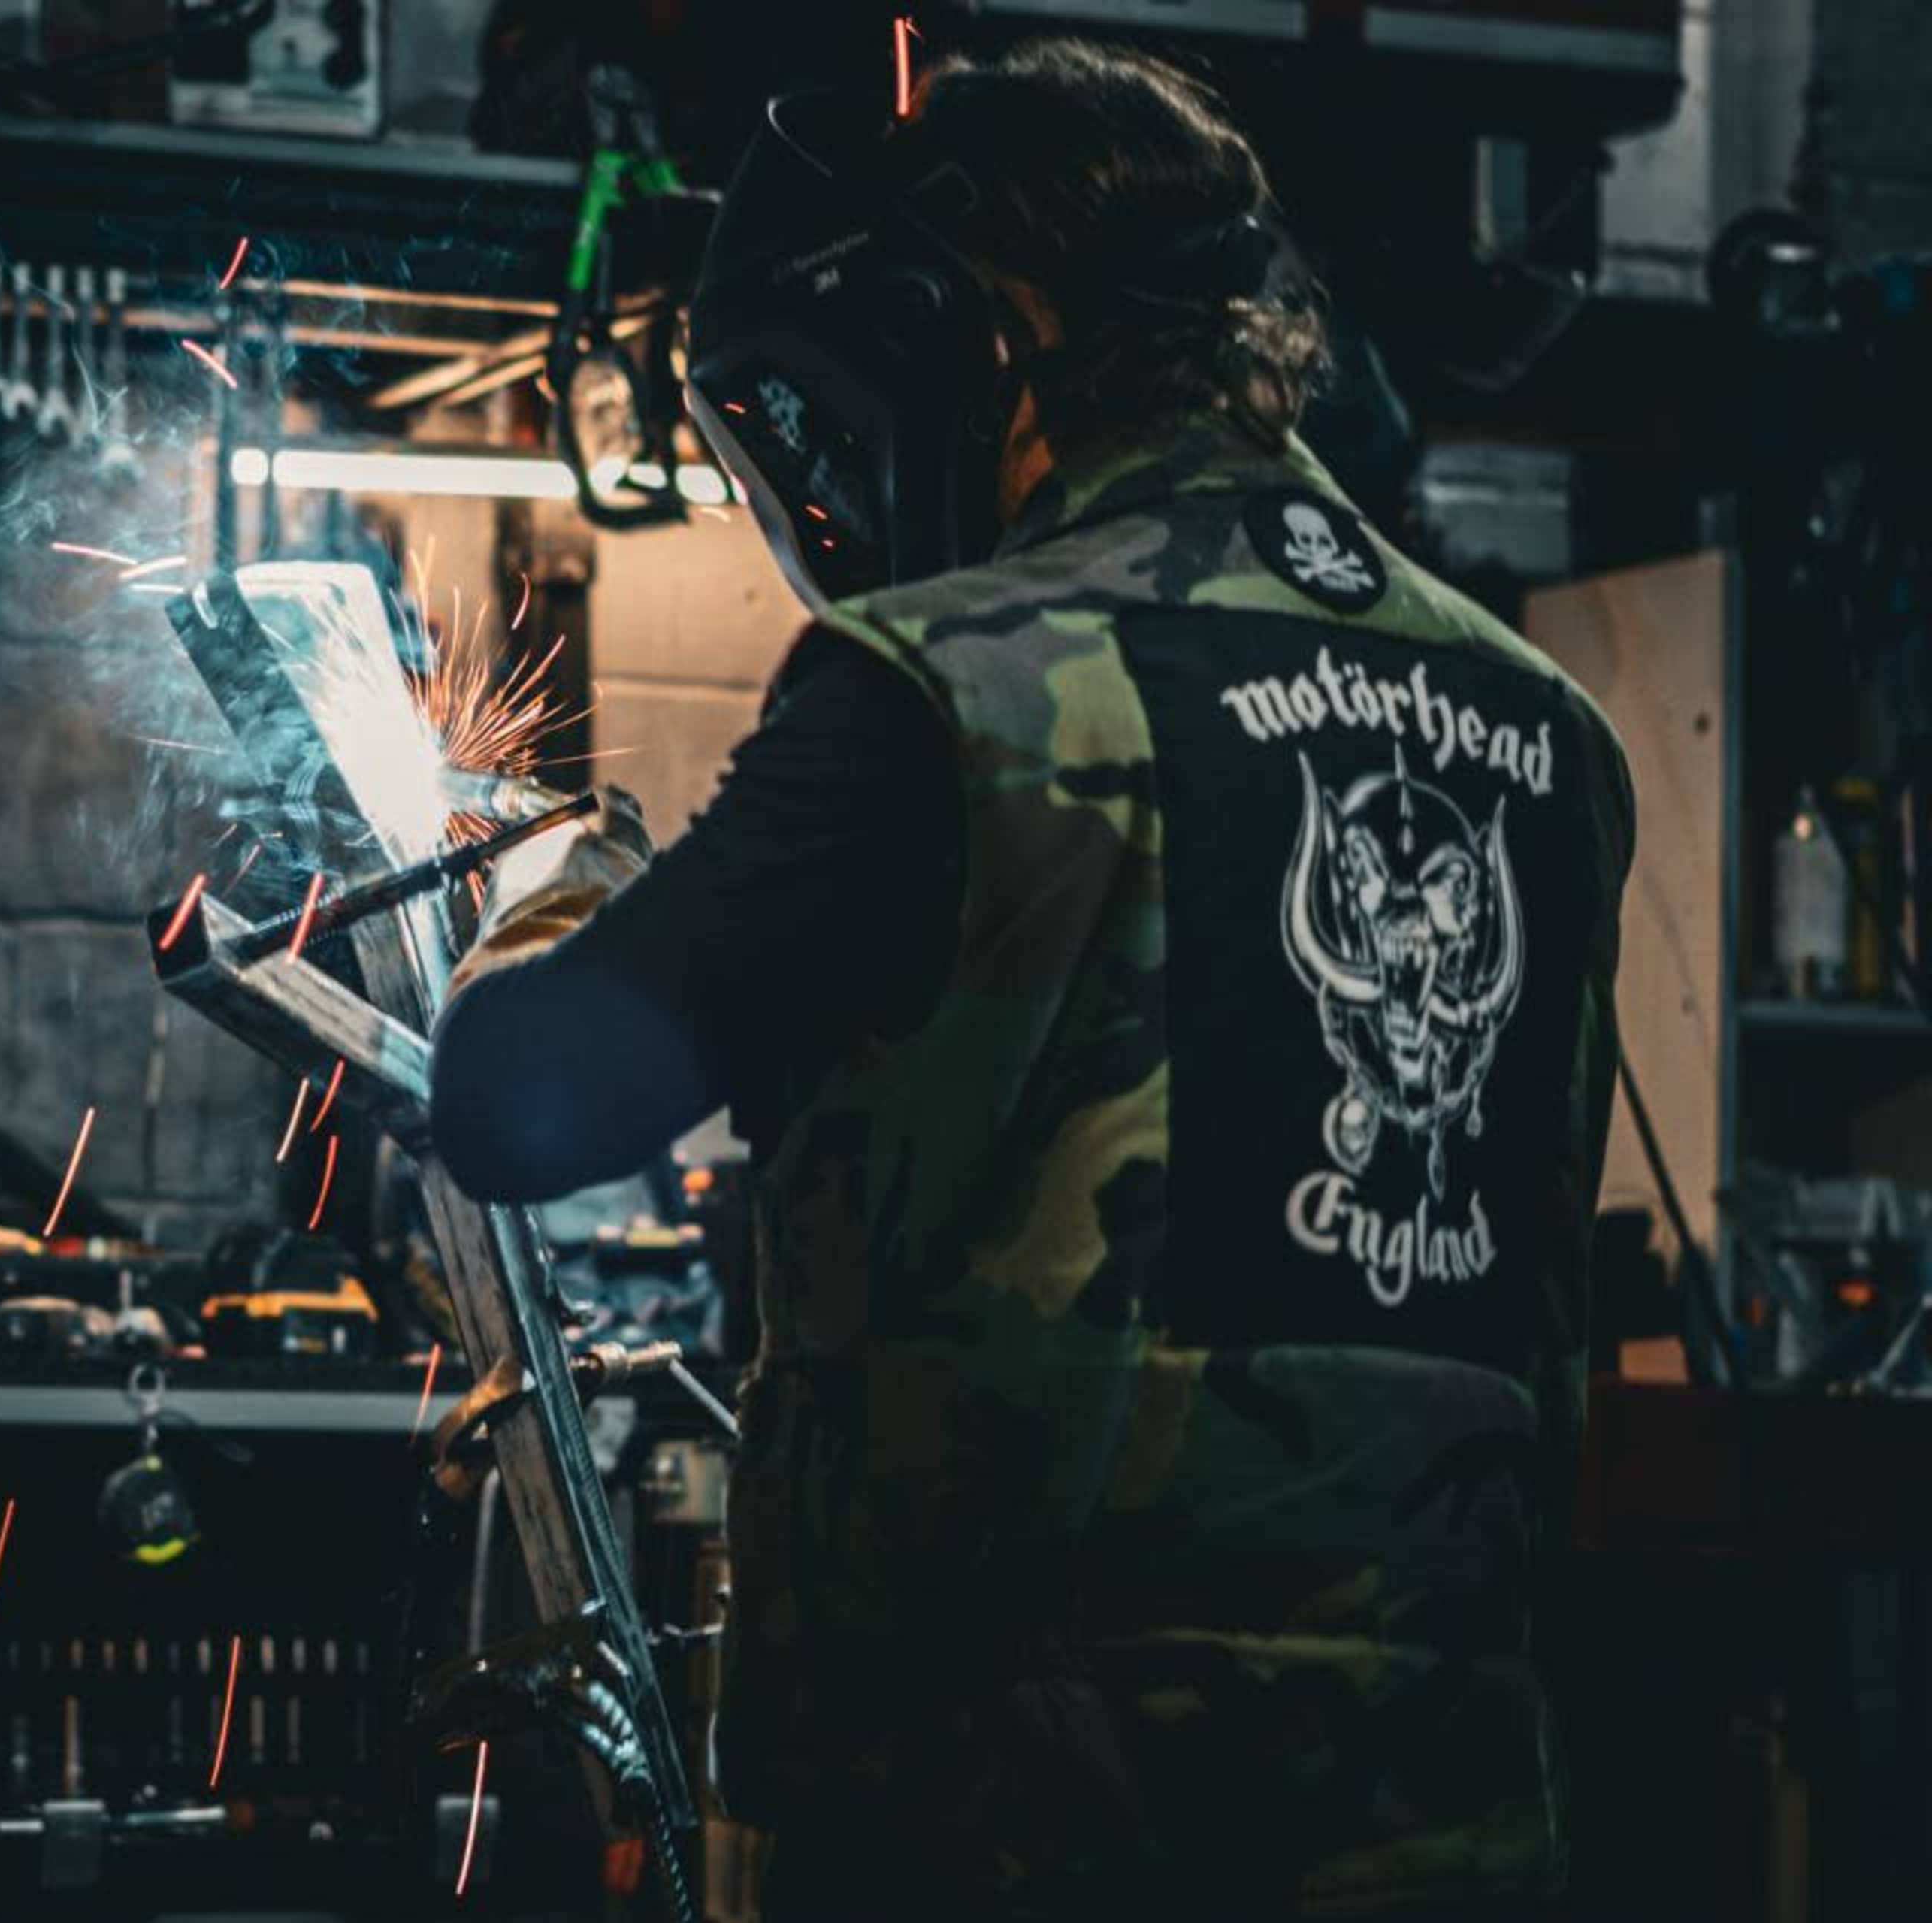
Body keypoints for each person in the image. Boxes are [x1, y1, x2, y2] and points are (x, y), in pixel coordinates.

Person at [426, 38, 1634, 1921]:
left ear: (961, 337)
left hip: (1014, 1831)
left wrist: (553, 879)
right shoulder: (1543, 729)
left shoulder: (957, 685)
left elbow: (523, 1097)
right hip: (1442, 1833)